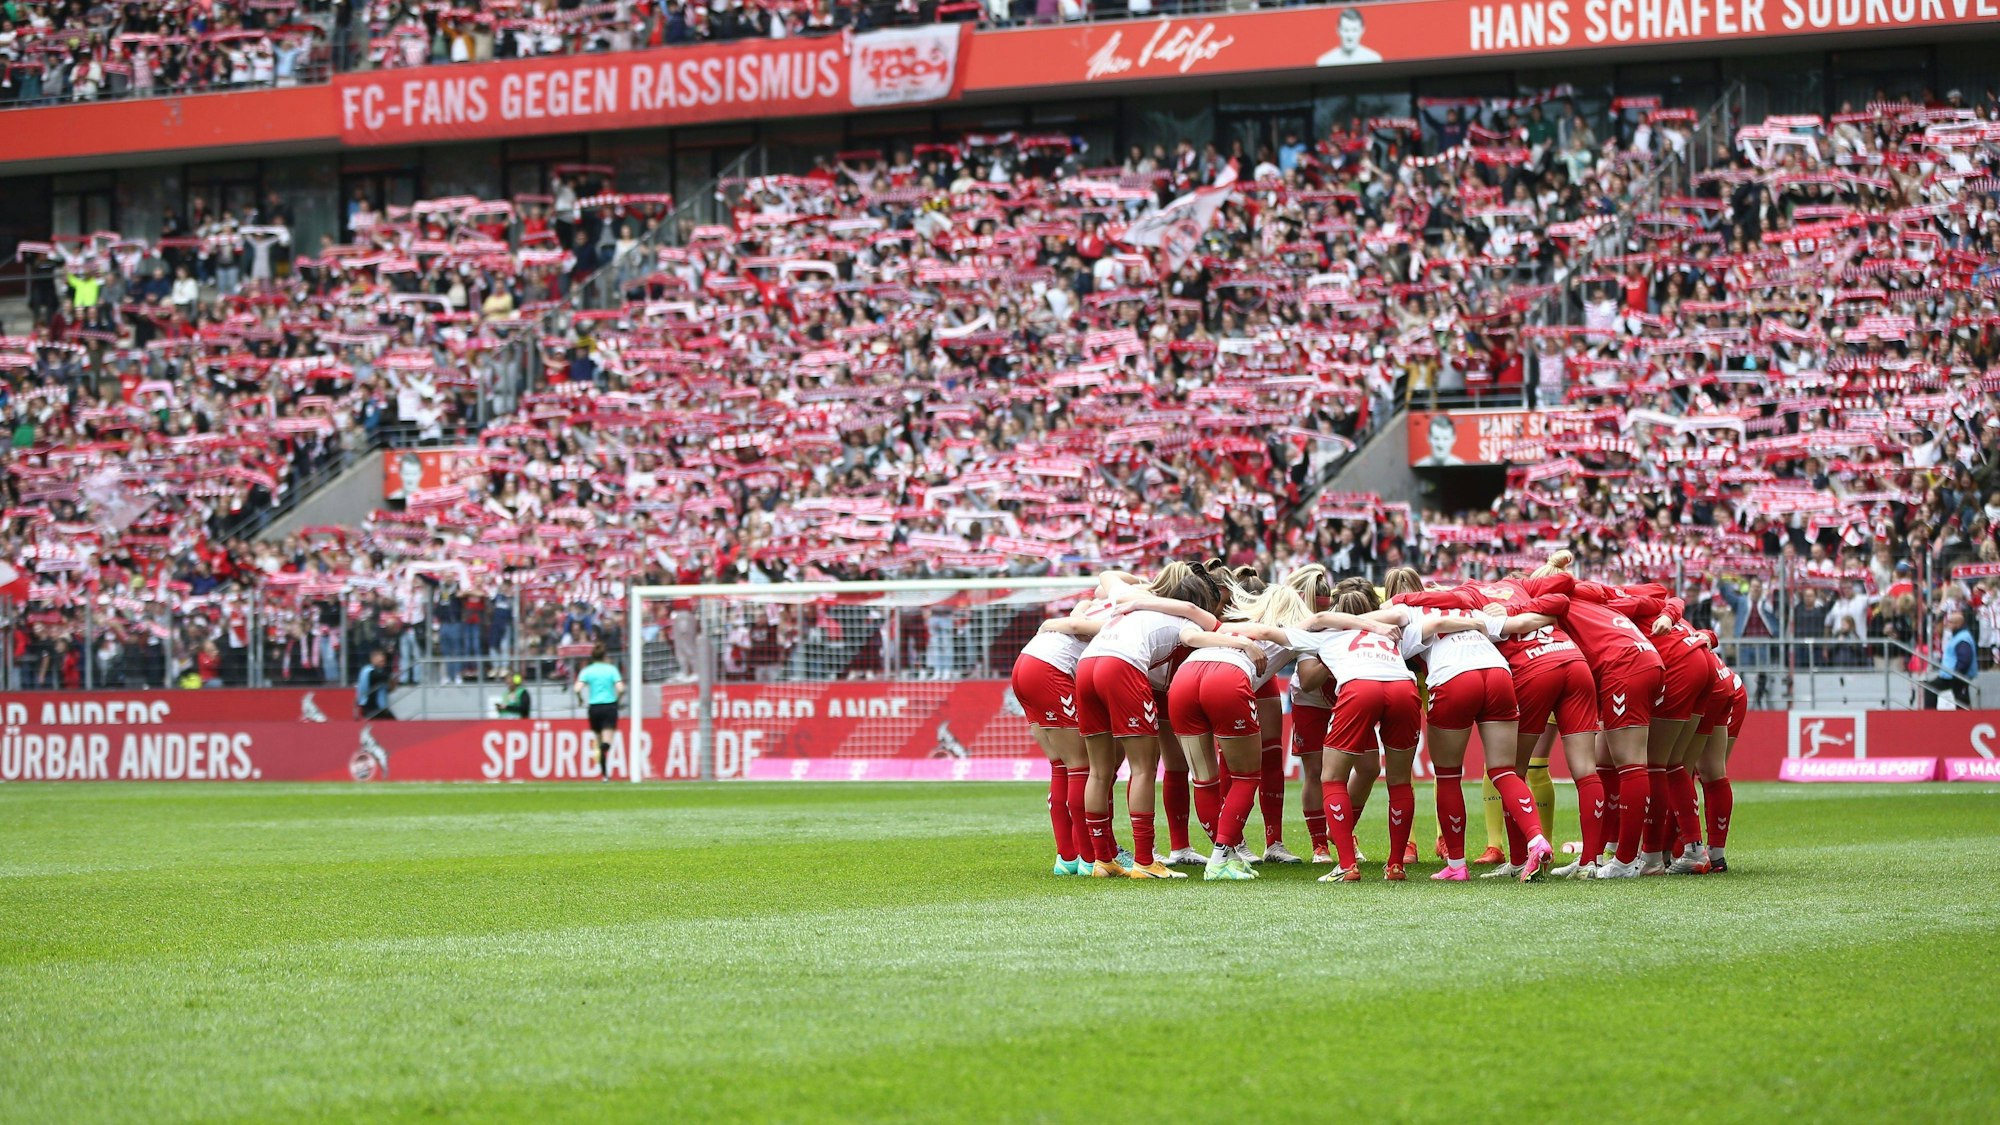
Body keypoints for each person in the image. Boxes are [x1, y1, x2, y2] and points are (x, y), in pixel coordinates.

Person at [1012, 571, 1218, 877]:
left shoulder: (1117, 596)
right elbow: (1078, 624)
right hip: (1059, 667)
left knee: (1068, 766)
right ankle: (1096, 855)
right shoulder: (1147, 610)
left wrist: (1082, 606)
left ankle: (1076, 856)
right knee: (1093, 766)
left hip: (1036, 660)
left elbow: (1102, 581)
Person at [1073, 563, 1248, 878]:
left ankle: (1102, 860)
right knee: (1143, 769)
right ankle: (1144, 861)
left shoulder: (1129, 597)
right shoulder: (1184, 619)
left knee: (1099, 771)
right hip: (1122, 668)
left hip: (1087, 666)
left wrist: (1146, 592)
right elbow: (1208, 628)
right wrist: (1242, 643)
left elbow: (1107, 575)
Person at [574, 642, 625, 779]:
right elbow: (621, 688)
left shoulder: (587, 670)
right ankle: (603, 751)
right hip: (609, 706)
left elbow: (577, 688)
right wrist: (618, 699)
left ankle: (605, 775)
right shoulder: (611, 669)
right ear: (605, 656)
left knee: (598, 740)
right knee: (607, 742)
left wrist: (580, 699)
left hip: (594, 708)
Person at [1926, 611, 1978, 709]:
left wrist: (1957, 673)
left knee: (1960, 699)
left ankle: (1929, 717)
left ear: (1958, 624)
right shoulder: (1959, 636)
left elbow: (1965, 658)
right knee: (1960, 699)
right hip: (1951, 674)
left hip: (1955, 675)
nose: (1947, 624)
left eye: (1950, 622)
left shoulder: (1962, 638)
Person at [1316, 7, 1383, 66]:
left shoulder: (1374, 59)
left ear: (1362, 30)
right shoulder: (1325, 62)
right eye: (1346, 30)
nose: (1350, 36)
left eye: (1354, 30)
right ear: (1338, 30)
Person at [357, 649, 396, 720]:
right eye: (381, 661)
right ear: (373, 659)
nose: (383, 663)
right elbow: (385, 677)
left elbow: (389, 688)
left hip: (377, 708)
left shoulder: (376, 671)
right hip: (372, 708)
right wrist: (391, 679)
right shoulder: (369, 671)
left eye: (384, 661)